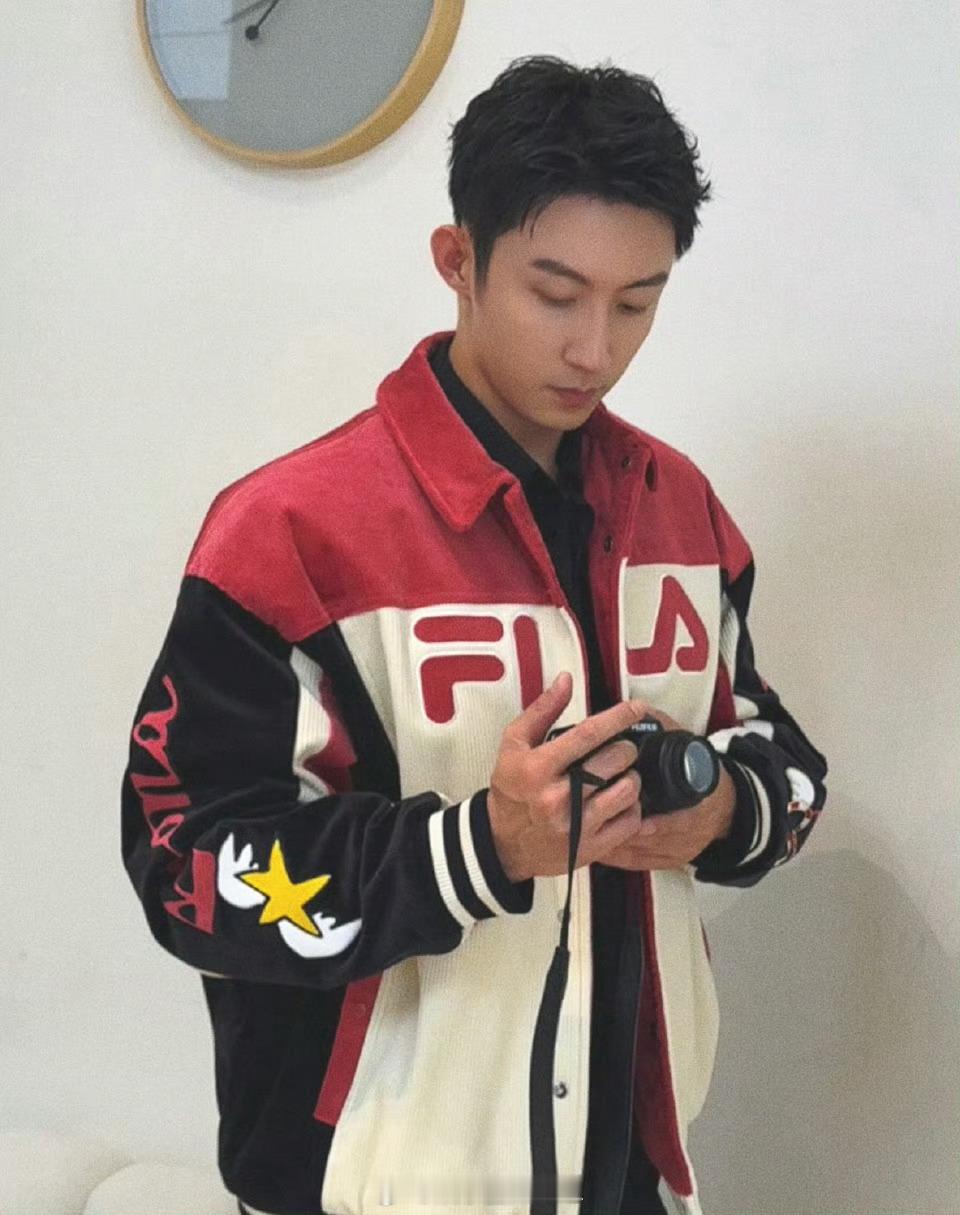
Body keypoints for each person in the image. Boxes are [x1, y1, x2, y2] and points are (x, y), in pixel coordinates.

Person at [121, 55, 828, 1215]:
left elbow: (780, 755)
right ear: (458, 260)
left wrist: (720, 811)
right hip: (363, 1186)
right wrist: (477, 847)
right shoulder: (289, 532)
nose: (595, 349)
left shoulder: (681, 510)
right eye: (556, 294)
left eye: (636, 303)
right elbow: (181, 864)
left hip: (629, 1174)